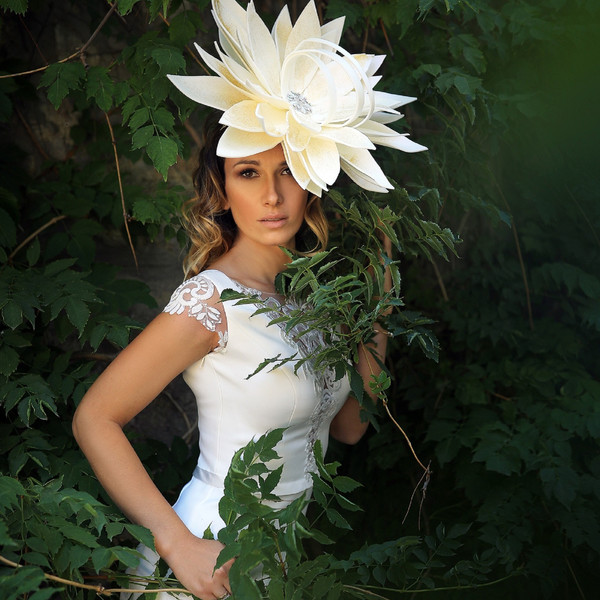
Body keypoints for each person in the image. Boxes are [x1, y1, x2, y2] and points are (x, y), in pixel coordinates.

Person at [73, 1, 425, 598]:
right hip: (209, 556)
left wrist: (378, 308)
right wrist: (177, 542)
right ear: (220, 185)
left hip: (284, 562)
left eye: (288, 170)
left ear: (316, 177)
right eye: (248, 172)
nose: (272, 195)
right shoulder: (211, 302)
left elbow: (349, 430)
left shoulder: (312, 300)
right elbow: (95, 418)